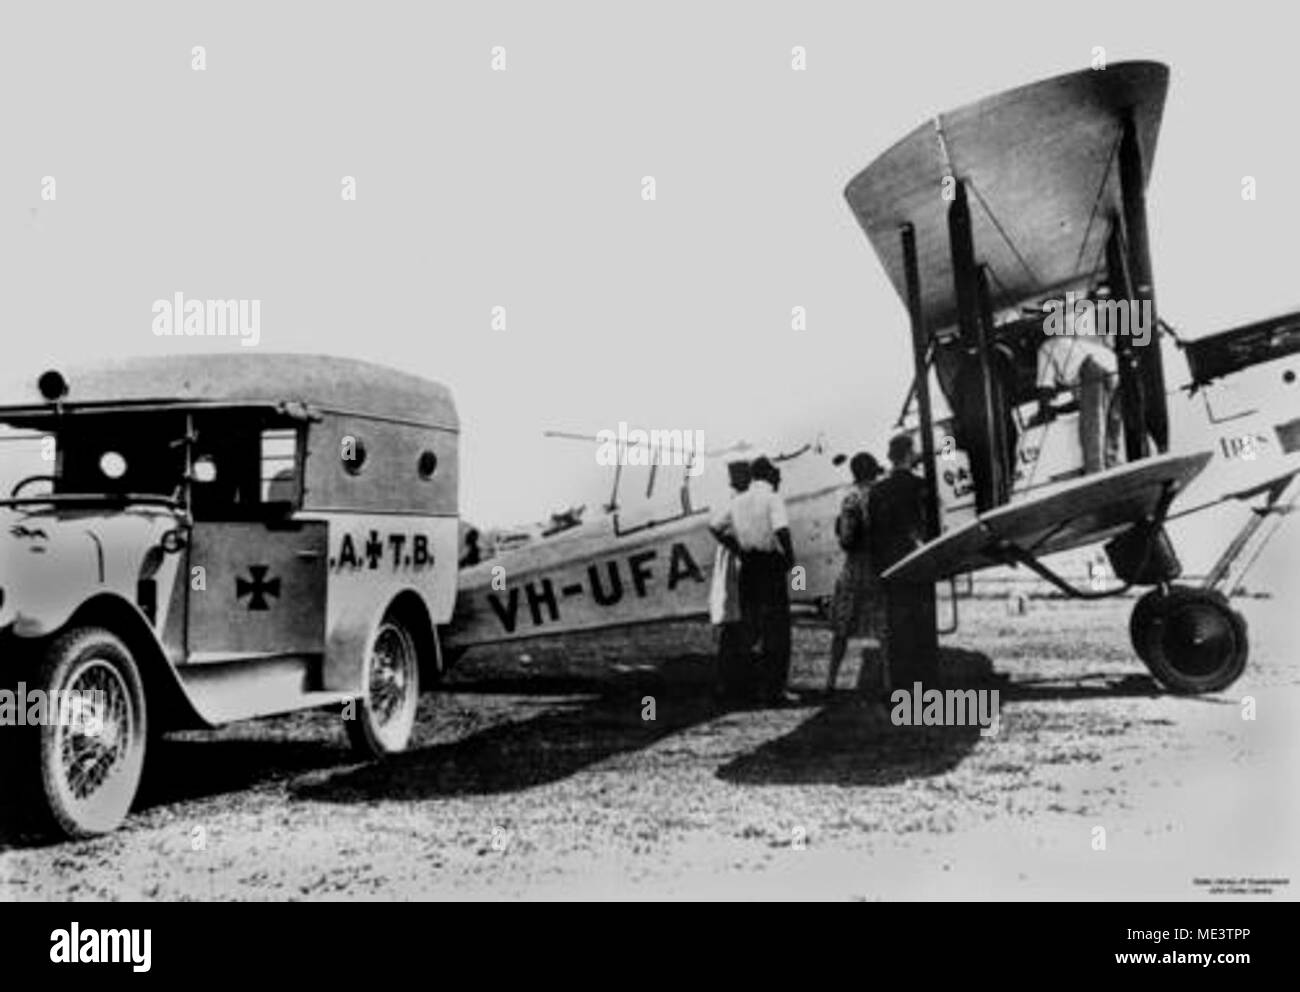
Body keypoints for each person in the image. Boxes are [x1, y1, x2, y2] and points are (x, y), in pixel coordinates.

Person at [709, 455, 796, 706]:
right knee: (777, 630)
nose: (778, 477)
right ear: (767, 474)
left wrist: (737, 548)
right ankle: (774, 690)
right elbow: (781, 529)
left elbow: (715, 526)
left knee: (748, 627)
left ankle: (739, 688)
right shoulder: (772, 497)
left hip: (749, 567)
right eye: (775, 473)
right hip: (770, 565)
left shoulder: (739, 500)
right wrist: (790, 559)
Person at [868, 434, 938, 689]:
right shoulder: (921, 486)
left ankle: (900, 687)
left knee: (898, 630)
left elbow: (873, 534)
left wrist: (879, 571)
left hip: (891, 568)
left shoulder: (877, 491)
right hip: (918, 564)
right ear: (909, 454)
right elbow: (930, 526)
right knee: (922, 628)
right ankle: (926, 686)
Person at [826, 452, 884, 693]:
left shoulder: (851, 499)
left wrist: (840, 531)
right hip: (879, 565)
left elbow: (847, 540)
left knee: (841, 628)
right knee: (883, 629)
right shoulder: (883, 496)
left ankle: (830, 681)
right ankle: (888, 683)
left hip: (855, 566)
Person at [1037, 322, 1122, 475]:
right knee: (1110, 425)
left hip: (1093, 369)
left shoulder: (1045, 348)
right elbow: (1081, 404)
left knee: (1091, 427)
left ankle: (1095, 473)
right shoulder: (1073, 343)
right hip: (1115, 369)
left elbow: (1045, 387)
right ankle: (1111, 465)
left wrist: (1044, 410)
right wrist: (1058, 410)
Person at [708, 460, 753, 700]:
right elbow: (714, 526)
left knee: (738, 624)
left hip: (738, 565)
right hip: (735, 566)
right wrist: (740, 549)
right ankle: (728, 684)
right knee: (733, 624)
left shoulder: (738, 498)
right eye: (743, 473)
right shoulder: (735, 500)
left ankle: (734, 682)